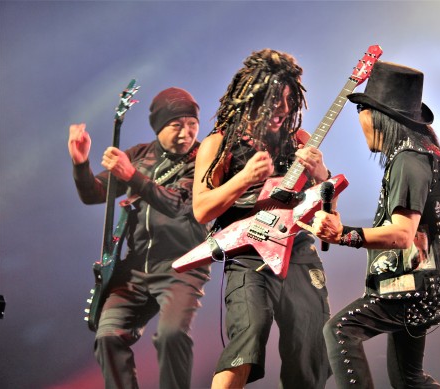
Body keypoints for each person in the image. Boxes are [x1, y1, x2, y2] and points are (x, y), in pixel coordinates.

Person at [298, 61, 440, 388]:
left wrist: (343, 234)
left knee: (339, 330)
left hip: (418, 288)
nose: (359, 119)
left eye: (362, 110)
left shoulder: (409, 160)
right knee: (409, 379)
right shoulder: (426, 155)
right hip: (432, 287)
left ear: (377, 116)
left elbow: (401, 234)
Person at [190, 49, 331, 388]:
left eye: (288, 99)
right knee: (247, 338)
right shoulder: (219, 143)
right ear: (250, 96)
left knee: (311, 347)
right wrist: (243, 179)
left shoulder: (299, 141)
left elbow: (327, 215)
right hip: (247, 258)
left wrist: (323, 174)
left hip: (298, 253)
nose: (283, 109)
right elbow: (201, 210)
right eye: (274, 99)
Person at [68, 87, 211, 389]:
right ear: (160, 126)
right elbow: (94, 194)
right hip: (135, 268)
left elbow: (180, 205)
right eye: (177, 125)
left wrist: (132, 175)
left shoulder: (203, 159)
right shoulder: (140, 154)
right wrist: (81, 164)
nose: (186, 133)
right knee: (107, 336)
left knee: (172, 335)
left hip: (182, 266)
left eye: (192, 124)